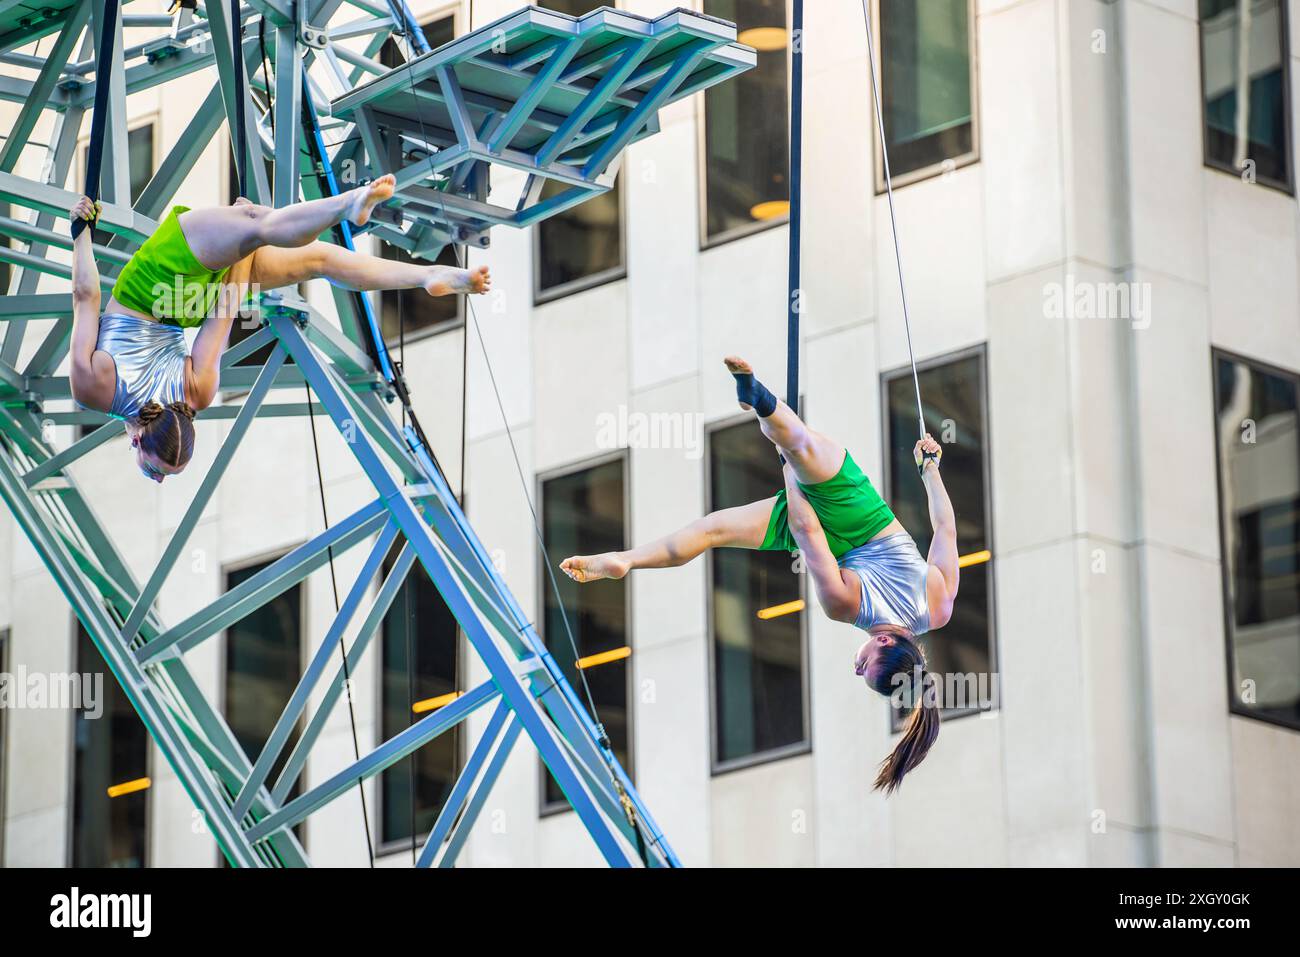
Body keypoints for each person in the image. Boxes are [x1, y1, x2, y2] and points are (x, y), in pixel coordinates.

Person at [560, 357, 960, 793]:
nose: (856, 665)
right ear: (884, 643)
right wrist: (791, 479)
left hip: (860, 513)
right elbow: (805, 532)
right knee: (713, 529)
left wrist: (930, 470)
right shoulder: (845, 607)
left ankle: (763, 401)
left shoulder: (938, 607)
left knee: (802, 445)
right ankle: (629, 560)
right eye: (864, 667)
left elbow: (944, 528)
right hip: (833, 523)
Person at [67, 176, 491, 482]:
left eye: (158, 474)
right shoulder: (94, 390)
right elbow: (86, 296)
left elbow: (226, 309)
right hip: (160, 286)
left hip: (180, 298)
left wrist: (242, 248)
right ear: (139, 441)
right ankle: (355, 211)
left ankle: (424, 274)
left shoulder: (197, 396)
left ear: (144, 441)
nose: (157, 479)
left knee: (312, 258)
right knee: (259, 224)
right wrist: (80, 233)